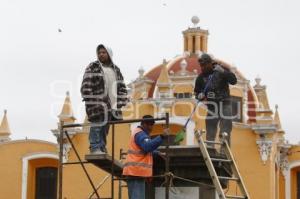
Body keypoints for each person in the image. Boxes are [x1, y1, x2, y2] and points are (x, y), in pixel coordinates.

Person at [81, 44, 128, 154]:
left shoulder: (116, 70)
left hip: (112, 104)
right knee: (97, 124)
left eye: (103, 52)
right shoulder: (93, 66)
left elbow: (122, 87)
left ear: (109, 54)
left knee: (105, 127)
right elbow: (86, 84)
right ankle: (95, 147)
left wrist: (122, 100)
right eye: (99, 53)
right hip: (97, 102)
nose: (101, 54)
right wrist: (90, 99)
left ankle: (101, 147)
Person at [194, 53, 237, 147]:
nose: (203, 67)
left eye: (205, 65)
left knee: (225, 130)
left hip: (224, 104)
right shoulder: (200, 78)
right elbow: (196, 92)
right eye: (201, 66)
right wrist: (199, 95)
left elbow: (233, 81)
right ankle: (210, 150)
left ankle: (224, 152)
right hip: (212, 107)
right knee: (210, 131)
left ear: (210, 63)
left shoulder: (220, 70)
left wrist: (223, 72)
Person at [122, 115, 167, 199]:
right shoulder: (140, 134)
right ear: (144, 124)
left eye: (152, 125)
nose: (151, 128)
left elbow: (143, 150)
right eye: (150, 125)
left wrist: (157, 153)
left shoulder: (139, 133)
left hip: (135, 171)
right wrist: (162, 136)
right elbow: (147, 146)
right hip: (136, 171)